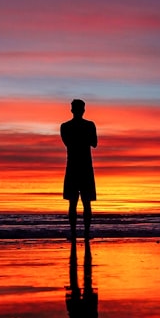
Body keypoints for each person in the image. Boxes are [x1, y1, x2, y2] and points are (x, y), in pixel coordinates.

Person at [61, 98, 97, 244]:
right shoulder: (84, 126)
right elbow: (92, 142)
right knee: (78, 202)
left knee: (78, 202)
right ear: (82, 110)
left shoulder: (67, 127)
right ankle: (79, 233)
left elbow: (94, 143)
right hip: (80, 167)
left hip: (78, 167)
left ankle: (80, 233)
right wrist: (84, 136)